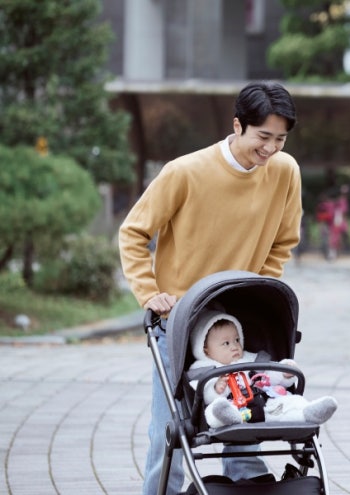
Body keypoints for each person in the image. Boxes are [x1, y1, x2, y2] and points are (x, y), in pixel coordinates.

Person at [118, 81, 302, 495]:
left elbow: (284, 240)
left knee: (244, 419)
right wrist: (149, 293)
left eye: (280, 139)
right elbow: (133, 232)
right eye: (263, 137)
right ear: (237, 125)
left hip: (237, 323)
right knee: (170, 430)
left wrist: (259, 286)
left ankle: (246, 488)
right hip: (178, 320)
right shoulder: (184, 172)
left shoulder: (285, 171)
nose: (271, 148)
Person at [189, 310, 337, 428]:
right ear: (205, 349)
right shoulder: (203, 368)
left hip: (266, 403)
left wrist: (284, 372)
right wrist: (216, 389)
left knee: (290, 401)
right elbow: (202, 395)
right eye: (226, 343)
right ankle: (230, 417)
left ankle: (307, 412)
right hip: (233, 406)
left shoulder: (249, 359)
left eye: (237, 340)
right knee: (215, 409)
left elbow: (268, 374)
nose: (234, 346)